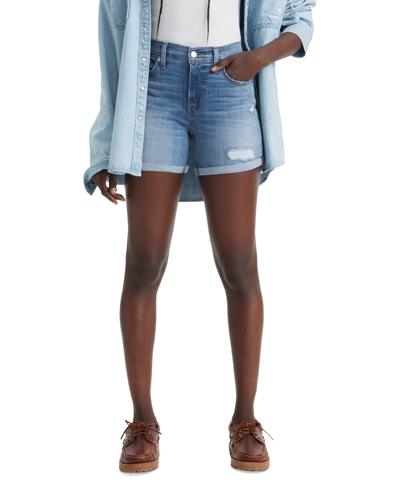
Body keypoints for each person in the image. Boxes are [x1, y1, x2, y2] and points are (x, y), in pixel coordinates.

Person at [84, 0, 316, 473]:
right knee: (144, 263)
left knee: (239, 264)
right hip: (153, 85)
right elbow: (112, 32)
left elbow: (302, 16)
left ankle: (245, 421)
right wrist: (106, 145)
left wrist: (256, 59)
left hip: (231, 85)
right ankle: (143, 422)